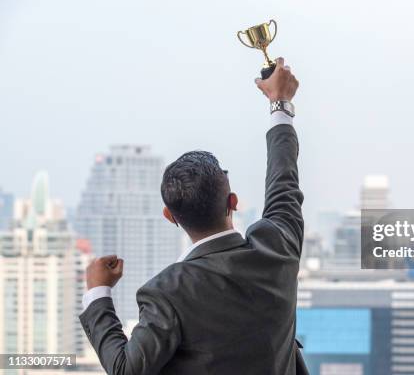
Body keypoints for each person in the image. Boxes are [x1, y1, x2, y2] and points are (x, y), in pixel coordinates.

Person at [79, 57, 309, 375]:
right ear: (233, 201)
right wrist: (279, 103)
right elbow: (284, 182)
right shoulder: (276, 246)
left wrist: (97, 293)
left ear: (169, 216)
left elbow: (125, 369)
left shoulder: (168, 291)